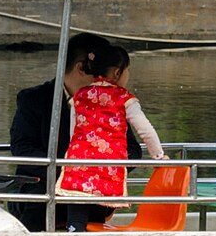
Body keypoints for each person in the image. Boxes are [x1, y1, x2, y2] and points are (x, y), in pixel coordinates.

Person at [7, 33, 142, 231]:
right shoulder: (33, 99)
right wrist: (69, 173)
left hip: (92, 195)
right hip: (43, 188)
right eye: (102, 71)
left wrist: (100, 169)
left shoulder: (109, 102)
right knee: (37, 197)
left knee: (90, 197)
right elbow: (22, 148)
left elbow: (133, 150)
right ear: (81, 68)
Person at [57, 42, 168, 225]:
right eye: (128, 71)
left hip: (77, 167)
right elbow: (145, 130)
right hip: (106, 171)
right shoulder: (125, 99)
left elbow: (73, 132)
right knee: (97, 221)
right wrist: (159, 156)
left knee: (76, 220)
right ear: (117, 72)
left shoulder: (79, 96)